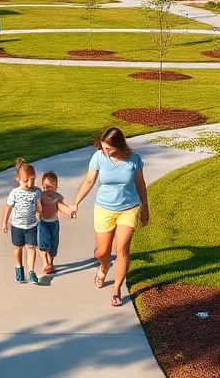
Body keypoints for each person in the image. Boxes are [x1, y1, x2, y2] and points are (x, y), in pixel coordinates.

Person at [71, 126, 149, 307]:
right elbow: (89, 181)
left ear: (120, 145)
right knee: (102, 251)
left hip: (129, 208)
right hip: (104, 209)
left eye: (109, 149)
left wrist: (145, 207)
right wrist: (76, 203)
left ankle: (116, 288)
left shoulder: (134, 160)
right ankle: (104, 266)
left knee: (122, 249)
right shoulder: (99, 157)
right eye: (103, 147)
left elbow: (140, 183)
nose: (105, 152)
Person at [1, 158, 43, 284]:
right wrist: (4, 222)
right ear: (18, 179)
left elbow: (38, 206)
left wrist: (40, 210)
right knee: (18, 247)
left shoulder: (36, 192)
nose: (30, 184)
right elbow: (8, 207)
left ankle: (31, 271)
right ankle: (19, 267)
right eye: (26, 181)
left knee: (31, 247)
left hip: (31, 225)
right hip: (17, 226)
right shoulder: (15, 193)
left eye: (33, 180)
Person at [36, 170, 75, 276]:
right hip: (43, 222)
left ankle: (51, 263)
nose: (47, 189)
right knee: (43, 244)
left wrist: (68, 211)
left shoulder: (57, 196)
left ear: (56, 187)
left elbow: (61, 205)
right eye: (45, 186)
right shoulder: (41, 196)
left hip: (54, 223)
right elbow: (36, 205)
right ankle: (45, 264)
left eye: (50, 186)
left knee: (53, 244)